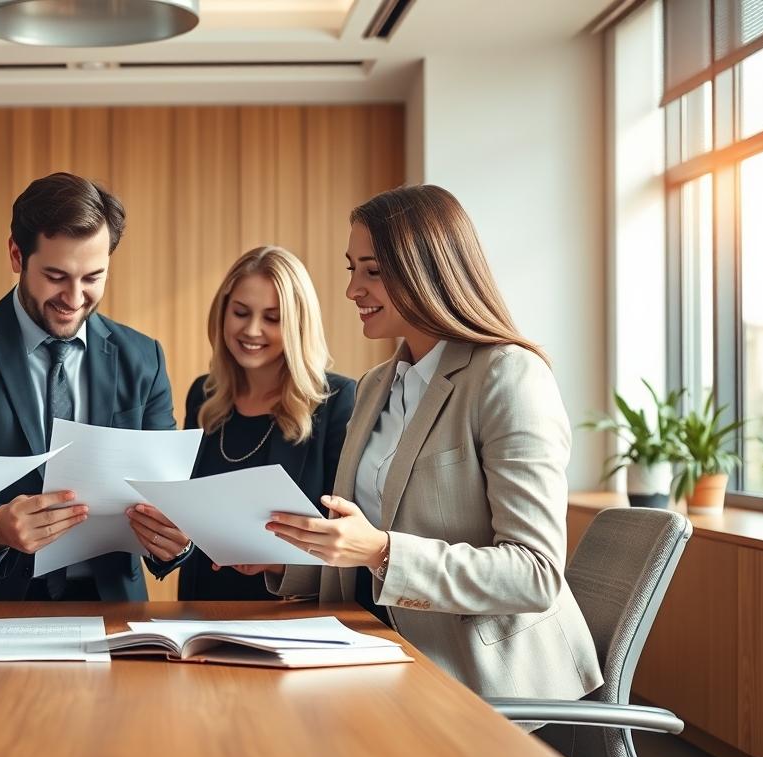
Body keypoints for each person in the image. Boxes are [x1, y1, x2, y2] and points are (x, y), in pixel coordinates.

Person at [256, 185, 601, 700]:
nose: (352, 289)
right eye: (352, 268)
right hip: (379, 656)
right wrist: (288, 557)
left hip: (482, 685)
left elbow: (534, 574)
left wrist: (382, 553)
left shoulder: (508, 377)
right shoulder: (376, 385)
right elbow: (366, 549)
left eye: (372, 271)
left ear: (428, 271)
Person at [0, 172, 184, 601]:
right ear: (17, 255)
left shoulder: (144, 358)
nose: (74, 298)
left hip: (110, 605)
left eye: (92, 277)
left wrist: (174, 539)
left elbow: (164, 496)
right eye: (56, 276)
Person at [125, 246, 355, 599]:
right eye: (241, 312)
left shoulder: (338, 401)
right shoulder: (203, 395)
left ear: (298, 325)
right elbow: (191, 522)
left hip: (292, 617)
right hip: (203, 608)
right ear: (223, 313)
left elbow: (351, 543)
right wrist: (174, 539)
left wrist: (276, 563)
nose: (251, 330)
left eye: (272, 318)